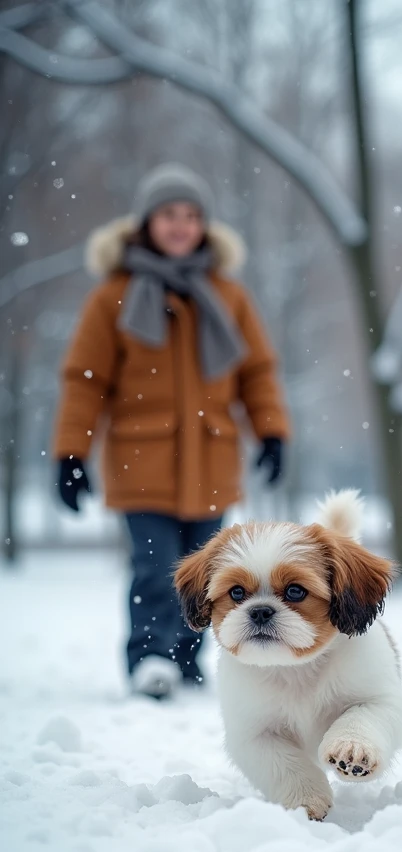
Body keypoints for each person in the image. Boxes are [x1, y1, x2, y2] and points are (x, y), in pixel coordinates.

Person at [53, 163, 290, 698]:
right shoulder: (113, 296)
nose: (180, 225)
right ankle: (150, 657)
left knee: (210, 573)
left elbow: (256, 373)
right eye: (168, 214)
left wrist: (272, 433)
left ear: (204, 225)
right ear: (146, 222)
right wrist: (70, 453)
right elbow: (85, 381)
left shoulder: (227, 296)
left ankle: (188, 657)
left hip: (212, 459)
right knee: (157, 567)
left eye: (191, 215)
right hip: (143, 462)